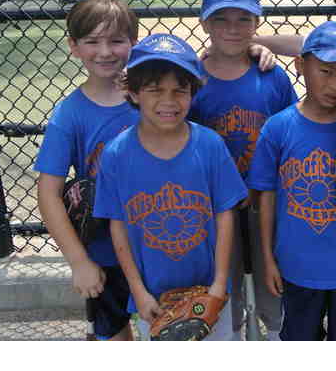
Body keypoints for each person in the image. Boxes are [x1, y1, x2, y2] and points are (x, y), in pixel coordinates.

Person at [92, 34, 248, 341]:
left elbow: (225, 215)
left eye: (180, 90)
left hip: (209, 291)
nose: (169, 101)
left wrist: (219, 284)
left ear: (193, 92)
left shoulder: (210, 145)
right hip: (154, 298)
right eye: (155, 90)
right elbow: (118, 226)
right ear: (133, 92)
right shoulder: (116, 154)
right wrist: (138, 292)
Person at [246, 21, 336, 341]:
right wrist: (268, 258)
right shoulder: (278, 128)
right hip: (296, 265)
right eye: (326, 71)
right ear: (300, 65)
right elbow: (266, 196)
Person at [188, 0, 298, 341]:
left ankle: (279, 335)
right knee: (225, 289)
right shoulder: (192, 80)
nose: (232, 29)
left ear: (256, 23)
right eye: (221, 19)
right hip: (213, 207)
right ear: (204, 23)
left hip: (265, 203)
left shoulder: (271, 75)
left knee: (273, 289)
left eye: (243, 19)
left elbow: (290, 138)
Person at [34, 0, 139, 341]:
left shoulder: (154, 97)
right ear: (74, 46)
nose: (105, 52)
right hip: (104, 249)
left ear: (134, 41)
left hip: (158, 240)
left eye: (116, 40)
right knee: (115, 332)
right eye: (92, 41)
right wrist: (79, 261)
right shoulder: (70, 114)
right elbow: (48, 194)